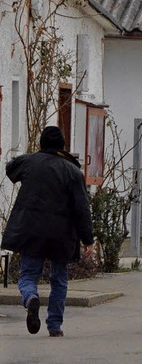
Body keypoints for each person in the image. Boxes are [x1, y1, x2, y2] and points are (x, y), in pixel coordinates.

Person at [0, 126, 94, 337]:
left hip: (31, 232)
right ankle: (55, 326)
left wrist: (35, 156)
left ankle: (31, 297)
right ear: (63, 146)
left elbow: (10, 168)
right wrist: (88, 240)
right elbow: (82, 209)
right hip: (61, 235)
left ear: (41, 144)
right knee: (59, 279)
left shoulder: (29, 163)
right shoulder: (73, 172)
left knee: (28, 276)